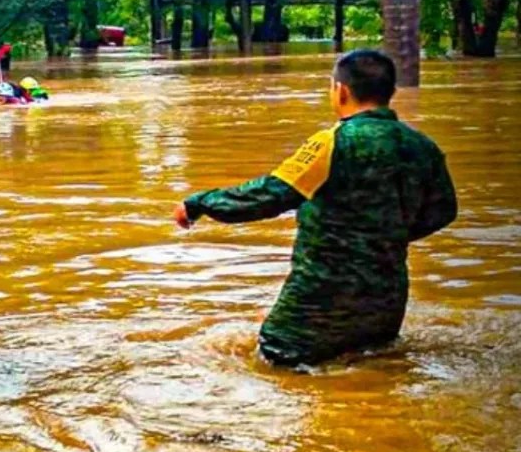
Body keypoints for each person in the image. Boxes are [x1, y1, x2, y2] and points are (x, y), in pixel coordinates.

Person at [174, 49, 458, 367]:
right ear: (388, 92)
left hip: (320, 297)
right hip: (386, 299)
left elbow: (271, 195)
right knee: (372, 366)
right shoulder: (423, 147)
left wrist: (199, 203)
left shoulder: (331, 142)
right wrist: (385, 237)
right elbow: (443, 211)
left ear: (341, 90)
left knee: (276, 358)